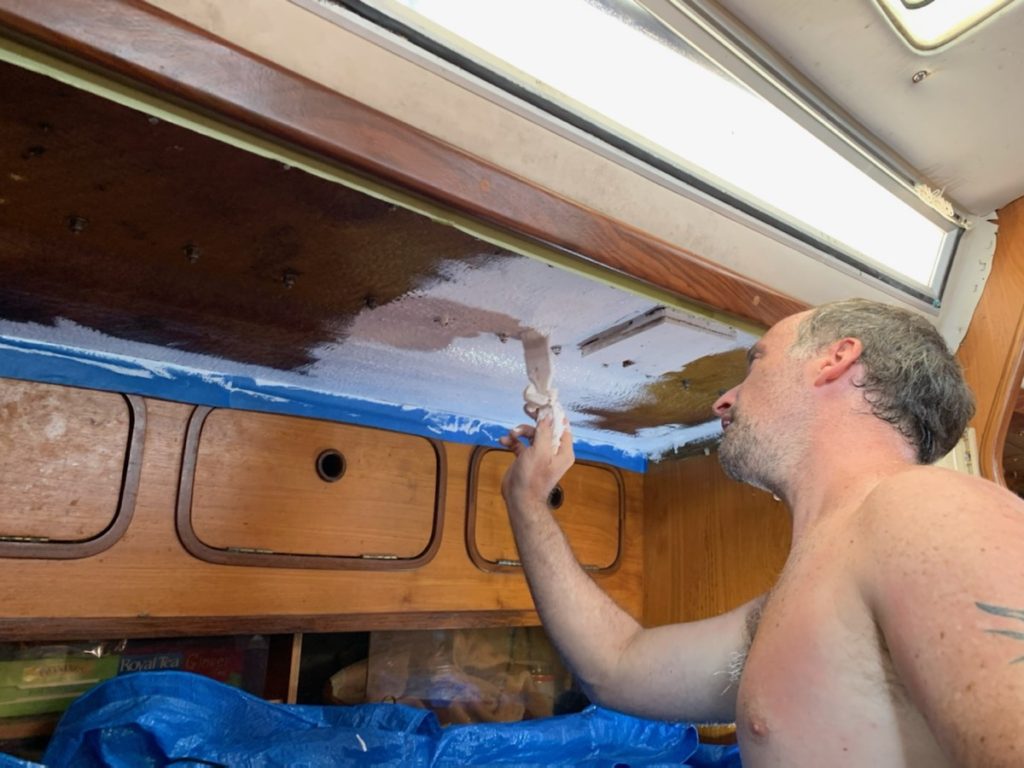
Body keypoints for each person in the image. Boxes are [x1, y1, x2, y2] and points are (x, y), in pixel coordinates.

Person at [499, 298, 1024, 767]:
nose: (724, 400)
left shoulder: (928, 508)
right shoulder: (803, 590)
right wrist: (528, 502)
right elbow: (615, 666)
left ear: (836, 359)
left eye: (757, 362)